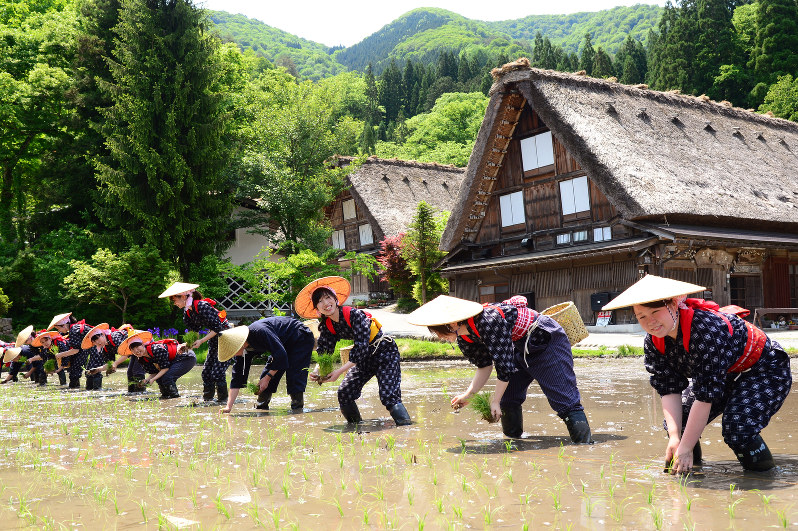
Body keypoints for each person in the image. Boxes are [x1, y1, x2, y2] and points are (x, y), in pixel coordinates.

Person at [603, 274, 792, 473]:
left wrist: (685, 447)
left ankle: (764, 479)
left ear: (674, 305)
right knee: (678, 422)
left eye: (656, 312)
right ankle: (690, 472)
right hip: (724, 373)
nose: (650, 321)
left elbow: (705, 396)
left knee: (738, 428)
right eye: (642, 316)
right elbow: (669, 388)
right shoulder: (654, 342)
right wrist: (676, 439)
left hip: (764, 368)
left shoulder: (705, 330)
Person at [408, 295, 593, 443]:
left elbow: (503, 366)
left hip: (545, 341)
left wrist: (493, 401)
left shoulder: (488, 321)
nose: (438, 336)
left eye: (438, 331)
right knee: (508, 398)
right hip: (520, 346)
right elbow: (484, 365)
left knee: (565, 400)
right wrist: (468, 394)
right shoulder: (465, 339)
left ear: (453, 324)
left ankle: (584, 446)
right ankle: (513, 442)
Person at [295, 276, 411, 426]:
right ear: (317, 308)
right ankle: (356, 429)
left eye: (328, 298)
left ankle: (406, 429)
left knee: (389, 396)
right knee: (345, 392)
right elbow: (325, 351)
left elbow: (361, 347)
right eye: (320, 301)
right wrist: (318, 370)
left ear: (336, 300)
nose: (326, 304)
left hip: (384, 351)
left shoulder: (354, 315)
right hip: (364, 359)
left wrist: (338, 372)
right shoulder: (327, 325)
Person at [216, 318, 316, 414]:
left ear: (239, 344)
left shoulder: (259, 332)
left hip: (299, 336)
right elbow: (237, 378)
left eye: (232, 352)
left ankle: (297, 409)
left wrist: (267, 378)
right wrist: (228, 407)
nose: (232, 355)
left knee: (295, 374)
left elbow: (281, 355)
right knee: (268, 373)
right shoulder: (243, 351)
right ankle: (261, 407)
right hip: (282, 343)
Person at [159, 282, 232, 402]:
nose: (174, 303)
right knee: (206, 373)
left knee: (217, 373)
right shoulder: (188, 311)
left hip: (226, 338)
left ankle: (223, 402)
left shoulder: (202, 306)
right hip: (214, 340)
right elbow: (194, 332)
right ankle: (208, 401)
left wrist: (201, 341)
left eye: (174, 300)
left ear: (183, 297)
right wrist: (186, 346)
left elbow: (218, 327)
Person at [116, 330, 196, 398]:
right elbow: (154, 372)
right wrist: (146, 380)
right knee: (160, 379)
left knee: (167, 377)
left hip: (186, 357)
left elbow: (165, 368)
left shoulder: (156, 350)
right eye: (133, 349)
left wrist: (153, 379)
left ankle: (174, 398)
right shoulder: (142, 359)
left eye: (137, 347)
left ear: (143, 345)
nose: (136, 351)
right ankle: (165, 397)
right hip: (174, 361)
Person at [49, 313, 94, 389]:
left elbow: (76, 350)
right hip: (90, 349)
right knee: (77, 369)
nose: (59, 331)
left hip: (95, 347)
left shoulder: (74, 330)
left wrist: (61, 354)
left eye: (58, 328)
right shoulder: (74, 328)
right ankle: (79, 388)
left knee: (78, 371)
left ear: (63, 325)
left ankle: (75, 389)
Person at [81, 323, 132, 390]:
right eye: (95, 342)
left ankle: (138, 392)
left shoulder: (114, 337)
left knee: (135, 372)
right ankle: (134, 393)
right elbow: (110, 364)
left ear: (102, 335)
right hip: (135, 352)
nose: (98, 343)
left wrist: (116, 364)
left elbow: (127, 353)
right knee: (131, 373)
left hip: (140, 348)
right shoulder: (106, 349)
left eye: (98, 339)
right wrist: (97, 370)